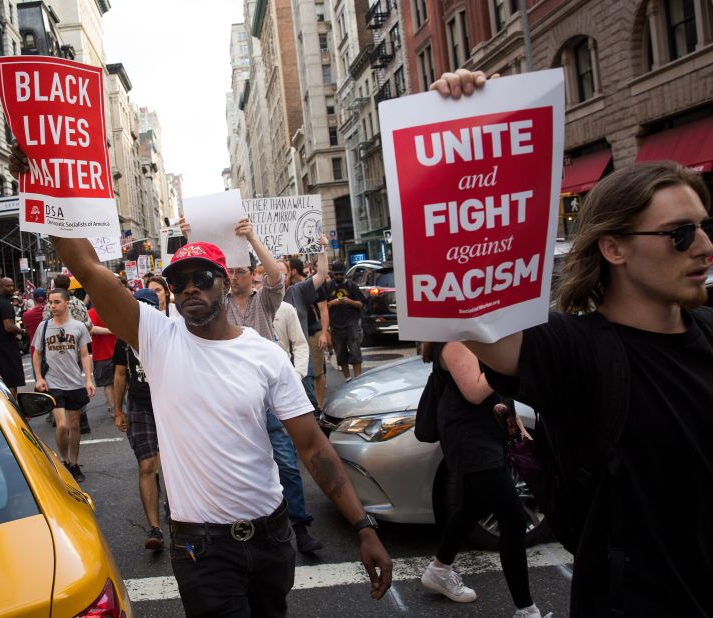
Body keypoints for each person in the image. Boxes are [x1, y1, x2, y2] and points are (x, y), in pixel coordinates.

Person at [435, 68, 713, 617]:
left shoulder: (709, 330)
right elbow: (464, 310)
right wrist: (463, 127)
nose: (703, 245)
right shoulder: (576, 351)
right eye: (679, 233)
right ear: (614, 249)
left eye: (705, 226)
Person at [49, 235, 392, 616]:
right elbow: (88, 269)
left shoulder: (265, 355)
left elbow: (312, 447)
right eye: (179, 282)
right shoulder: (156, 338)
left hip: (272, 538)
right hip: (201, 550)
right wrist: (48, 192)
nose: (190, 287)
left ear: (226, 283)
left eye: (202, 277)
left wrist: (362, 525)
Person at [181, 216, 325, 554]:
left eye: (241, 271)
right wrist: (189, 238)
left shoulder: (266, 300)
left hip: (267, 397)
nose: (234, 276)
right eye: (229, 272)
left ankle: (300, 526)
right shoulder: (219, 306)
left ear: (251, 275)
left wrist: (252, 239)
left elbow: (276, 276)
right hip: (229, 398)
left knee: (287, 463)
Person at [419, 342, 538, 614]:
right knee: (513, 518)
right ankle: (527, 610)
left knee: (475, 505)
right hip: (471, 440)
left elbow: (495, 391)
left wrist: (515, 424)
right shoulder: (454, 342)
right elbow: (474, 391)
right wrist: (515, 360)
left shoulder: (474, 337)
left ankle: (439, 569)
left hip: (484, 435)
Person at [112, 288, 166, 550]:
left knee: (172, 464)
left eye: (146, 308)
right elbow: (121, 374)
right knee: (147, 465)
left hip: (170, 405)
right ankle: (155, 528)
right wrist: (118, 410)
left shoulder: (169, 334)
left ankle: (180, 513)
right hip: (140, 407)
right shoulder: (123, 338)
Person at [32, 288, 94, 483]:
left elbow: (84, 355)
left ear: (67, 303)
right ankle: (65, 460)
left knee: (75, 425)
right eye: (50, 302)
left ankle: (74, 463)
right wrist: (39, 377)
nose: (52, 306)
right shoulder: (43, 327)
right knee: (62, 425)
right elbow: (37, 353)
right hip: (53, 382)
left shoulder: (78, 327)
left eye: (56, 302)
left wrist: (88, 379)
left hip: (74, 382)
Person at [279, 239, 331, 407]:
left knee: (307, 402)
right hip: (276, 362)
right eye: (274, 273)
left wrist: (322, 249)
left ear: (289, 275)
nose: (280, 278)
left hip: (300, 358)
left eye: (283, 274)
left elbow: (322, 274)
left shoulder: (298, 290)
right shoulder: (261, 296)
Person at [326, 262, 365, 380]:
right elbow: (322, 307)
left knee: (355, 352)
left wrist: (349, 301)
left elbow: (360, 304)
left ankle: (357, 379)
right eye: (336, 274)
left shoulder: (351, 285)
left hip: (351, 323)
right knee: (341, 354)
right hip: (336, 325)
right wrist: (332, 303)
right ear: (332, 274)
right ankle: (348, 379)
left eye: (341, 274)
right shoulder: (327, 287)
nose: (339, 277)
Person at [0, 277, 25, 394]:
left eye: (12, 285)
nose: (11, 288)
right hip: (6, 346)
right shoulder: (5, 304)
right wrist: (23, 332)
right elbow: (8, 326)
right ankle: (12, 408)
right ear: (0, 287)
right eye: (8, 286)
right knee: (12, 380)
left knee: (3, 379)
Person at [87, 306, 117, 415]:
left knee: (113, 382)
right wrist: (112, 331)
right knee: (109, 383)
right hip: (102, 352)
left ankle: (115, 406)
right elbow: (91, 329)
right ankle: (114, 407)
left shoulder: (94, 311)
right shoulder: (93, 312)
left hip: (111, 351)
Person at [273, 301, 309, 386]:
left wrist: (298, 373)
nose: (256, 287)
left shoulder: (286, 308)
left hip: (283, 374)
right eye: (254, 286)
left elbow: (300, 344)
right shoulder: (238, 311)